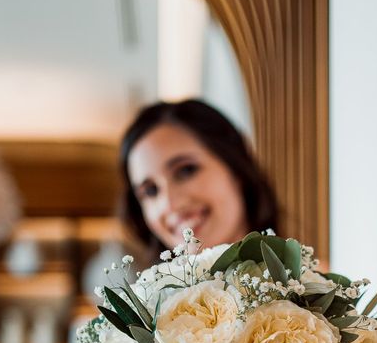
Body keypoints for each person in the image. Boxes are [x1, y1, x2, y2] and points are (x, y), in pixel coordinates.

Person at [119, 99, 279, 263]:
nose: (169, 204)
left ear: (236, 167)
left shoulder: (302, 281)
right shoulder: (137, 285)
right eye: (151, 191)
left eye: (186, 170)